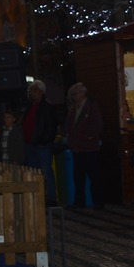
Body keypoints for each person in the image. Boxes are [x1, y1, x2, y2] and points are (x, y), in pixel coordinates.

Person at [63, 81, 104, 210]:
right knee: (78, 176)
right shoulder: (74, 108)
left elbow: (97, 123)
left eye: (75, 94)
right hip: (78, 147)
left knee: (93, 175)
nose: (74, 97)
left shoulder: (91, 106)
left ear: (82, 93)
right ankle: (80, 201)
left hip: (89, 147)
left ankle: (98, 201)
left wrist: (88, 136)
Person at [20, 82, 60, 205]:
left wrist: (45, 141)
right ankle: (37, 197)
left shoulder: (47, 107)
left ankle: (51, 198)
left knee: (46, 171)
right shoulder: (30, 106)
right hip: (30, 144)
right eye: (31, 90)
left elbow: (51, 126)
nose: (32, 92)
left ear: (41, 91)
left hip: (41, 145)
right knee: (33, 172)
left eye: (35, 90)